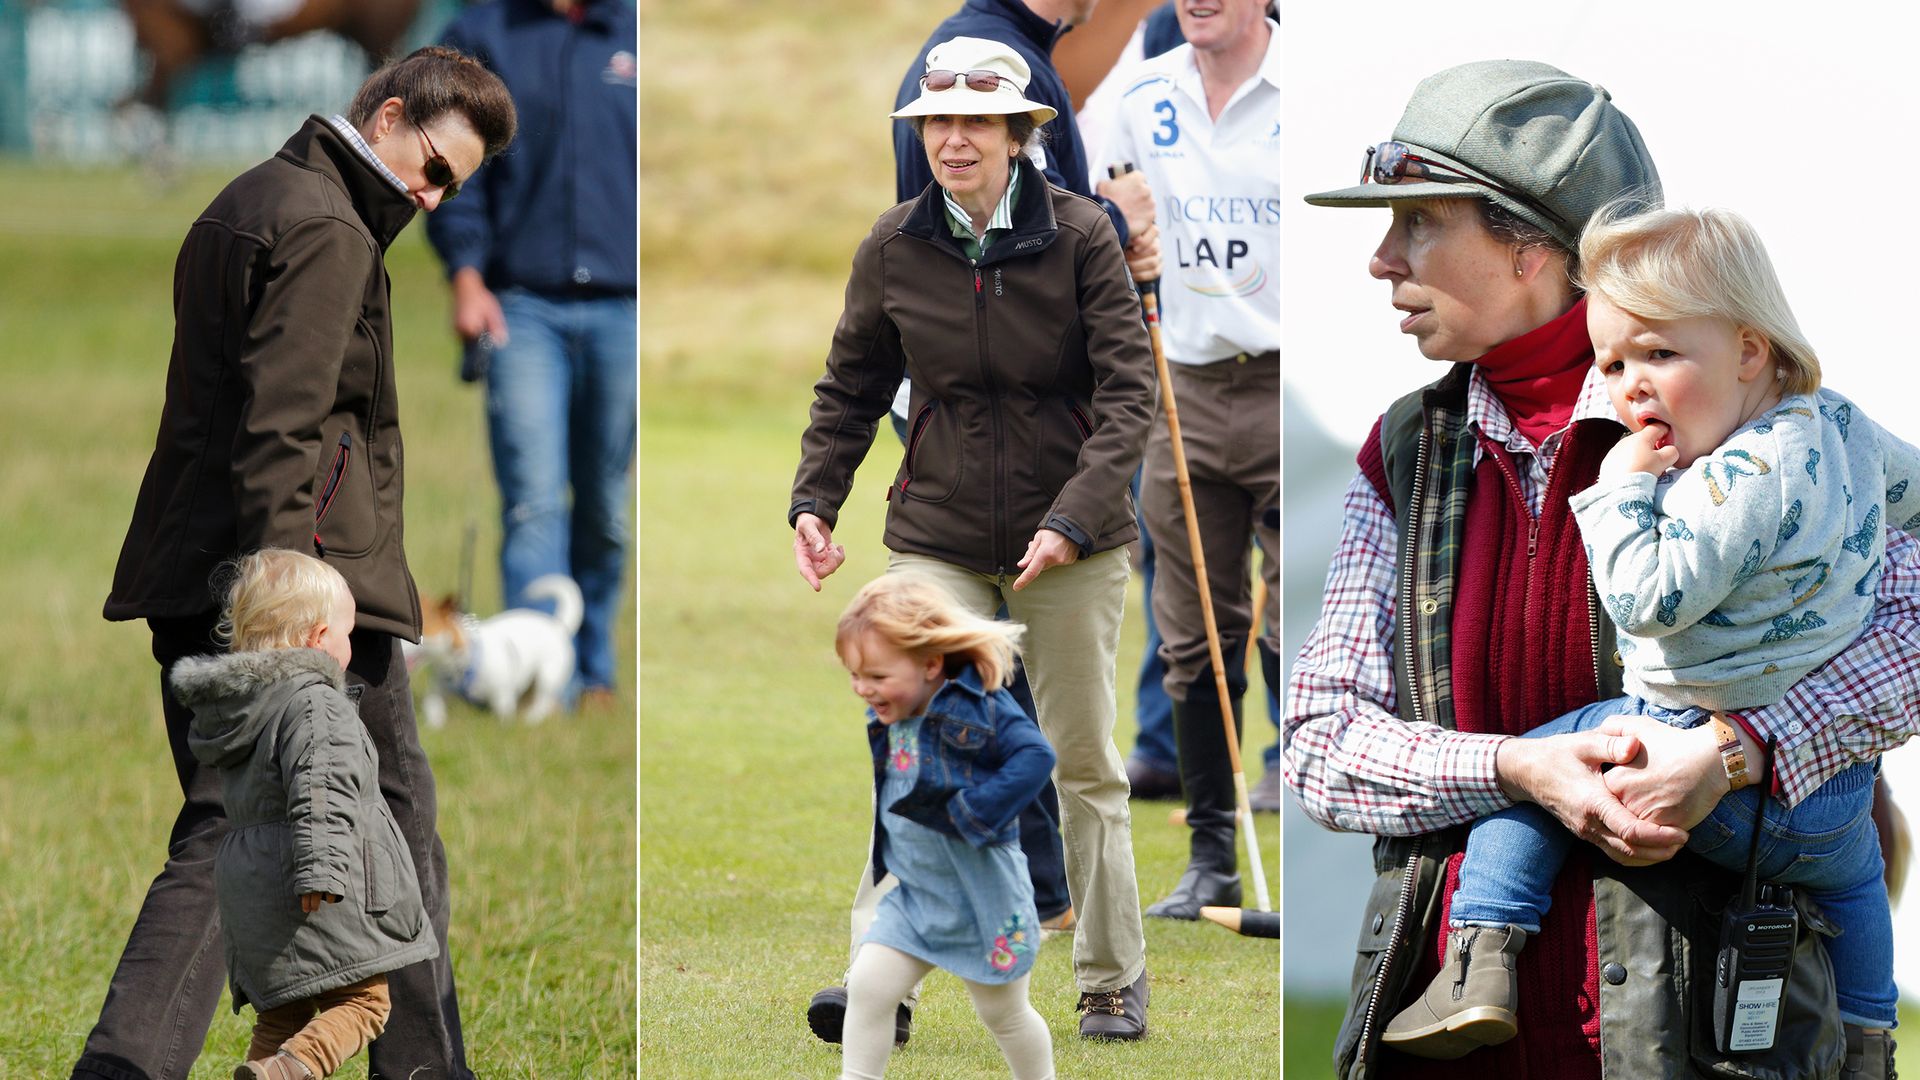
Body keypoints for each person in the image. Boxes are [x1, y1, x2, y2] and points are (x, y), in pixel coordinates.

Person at [1286, 59, 1920, 1079]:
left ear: (1533, 248)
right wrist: (1515, 767)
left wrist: (1736, 752)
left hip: (1703, 1035)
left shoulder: (1760, 431)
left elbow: (1914, 638)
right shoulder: (1401, 452)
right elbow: (1317, 745)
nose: (1379, 258)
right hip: (1446, 1031)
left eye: (1419, 223)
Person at [86, 47, 515, 1080]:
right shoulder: (327, 228)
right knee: (389, 833)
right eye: (435, 166)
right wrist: (291, 619)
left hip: (206, 571)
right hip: (306, 596)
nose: (433, 193)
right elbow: (285, 430)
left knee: (238, 833)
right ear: (393, 112)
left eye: (453, 187)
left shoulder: (255, 196)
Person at [790, 37, 1156, 1042]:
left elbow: (1129, 400)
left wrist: (1073, 521)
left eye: (974, 122)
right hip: (939, 529)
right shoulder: (893, 243)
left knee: (1081, 762)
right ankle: (883, 984)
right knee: (903, 739)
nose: (953, 138)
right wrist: (814, 500)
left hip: (1073, 538)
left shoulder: (1082, 236)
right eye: (937, 122)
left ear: (1016, 134)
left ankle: (1111, 979)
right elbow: (852, 385)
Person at [1101, 0, 1278, 920]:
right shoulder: (1141, 95)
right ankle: (1212, 859)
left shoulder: (1307, 91)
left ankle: (1323, 857)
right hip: (1187, 392)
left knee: (1299, 627)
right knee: (1195, 633)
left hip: (1293, 387)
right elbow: (1095, 210)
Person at [424, 0, 637, 708]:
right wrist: (465, 275)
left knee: (604, 506)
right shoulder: (482, 33)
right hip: (519, 305)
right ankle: (543, 683)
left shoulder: (639, 28)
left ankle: (595, 665)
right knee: (534, 504)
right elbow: (447, 164)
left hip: (626, 305)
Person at [174, 549, 436, 1080]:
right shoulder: (315, 703)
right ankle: (291, 1070)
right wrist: (323, 869)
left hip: (252, 890)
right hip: (312, 879)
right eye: (346, 634)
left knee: (283, 1011)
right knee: (366, 1003)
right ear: (318, 639)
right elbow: (322, 788)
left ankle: (262, 1070)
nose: (348, 646)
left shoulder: (245, 706)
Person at [833, 575, 1057, 1080]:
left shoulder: (984, 707)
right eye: (855, 675)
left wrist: (975, 812)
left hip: (984, 898)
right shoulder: (895, 705)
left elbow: (1036, 756)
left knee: (1002, 1013)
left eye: (876, 675)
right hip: (917, 897)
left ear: (931, 663)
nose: (864, 689)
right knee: (867, 987)